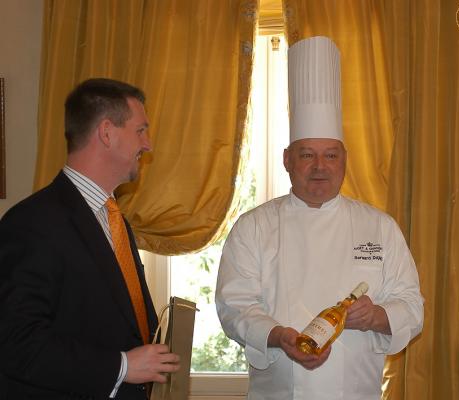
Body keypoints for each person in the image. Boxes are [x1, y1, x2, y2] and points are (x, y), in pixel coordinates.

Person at [215, 36, 423, 400]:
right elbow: (235, 306)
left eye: (330, 155)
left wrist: (376, 316)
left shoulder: (380, 226)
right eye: (307, 155)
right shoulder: (254, 226)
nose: (319, 167)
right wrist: (279, 336)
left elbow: (412, 306)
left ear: (344, 160)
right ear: (287, 160)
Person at [0, 78, 179, 399]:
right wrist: (121, 366)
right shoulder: (31, 222)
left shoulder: (116, 220)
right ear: (107, 132)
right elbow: (16, 342)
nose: (148, 144)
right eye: (140, 130)